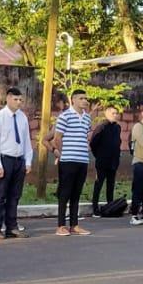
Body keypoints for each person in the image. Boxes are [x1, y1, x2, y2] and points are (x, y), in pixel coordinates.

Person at [0, 88, 33, 238]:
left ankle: (11, 226)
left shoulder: (22, 117)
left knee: (15, 195)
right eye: (15, 99)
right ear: (8, 98)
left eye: (20, 100)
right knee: (0, 195)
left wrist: (28, 160)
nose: (18, 102)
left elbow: (26, 140)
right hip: (5, 159)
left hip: (19, 159)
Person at [48, 90, 93, 236]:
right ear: (73, 100)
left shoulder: (87, 118)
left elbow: (86, 136)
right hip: (68, 160)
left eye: (86, 98)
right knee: (65, 193)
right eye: (81, 98)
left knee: (76, 194)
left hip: (82, 160)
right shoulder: (65, 116)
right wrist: (63, 153)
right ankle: (61, 225)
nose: (85, 101)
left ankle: (74, 225)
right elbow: (57, 138)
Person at [88, 106, 121, 216]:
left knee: (111, 185)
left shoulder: (117, 127)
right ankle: (95, 207)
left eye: (116, 113)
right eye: (113, 113)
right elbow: (93, 143)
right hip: (102, 161)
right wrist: (99, 155)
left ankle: (110, 207)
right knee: (99, 184)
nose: (115, 115)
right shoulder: (101, 127)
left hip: (113, 161)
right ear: (106, 114)